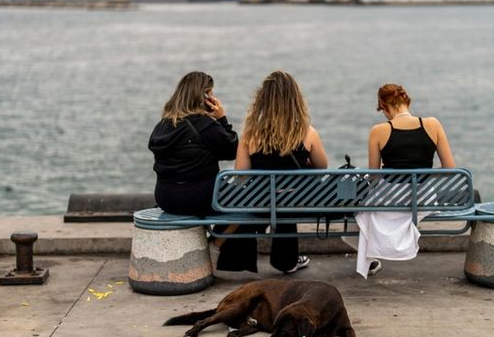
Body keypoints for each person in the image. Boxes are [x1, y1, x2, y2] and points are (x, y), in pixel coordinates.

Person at [227, 70, 329, 274]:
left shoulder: (250, 134)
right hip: (297, 200)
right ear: (295, 99)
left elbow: (241, 174)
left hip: (261, 200)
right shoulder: (307, 132)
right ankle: (286, 261)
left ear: (262, 100)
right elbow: (322, 166)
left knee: (274, 199)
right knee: (287, 201)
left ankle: (282, 259)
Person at [354, 83, 456, 277]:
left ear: (384, 107)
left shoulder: (378, 131)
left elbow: (374, 175)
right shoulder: (433, 124)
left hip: (391, 200)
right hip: (423, 199)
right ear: (406, 101)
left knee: (357, 213)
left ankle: (372, 257)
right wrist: (420, 175)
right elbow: (451, 169)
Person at [148, 71, 238, 215]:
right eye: (210, 93)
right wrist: (222, 119)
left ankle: (219, 238)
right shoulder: (205, 125)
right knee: (250, 200)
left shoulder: (162, 125)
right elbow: (232, 150)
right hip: (199, 198)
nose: (213, 97)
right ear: (203, 98)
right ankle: (221, 238)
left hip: (165, 198)